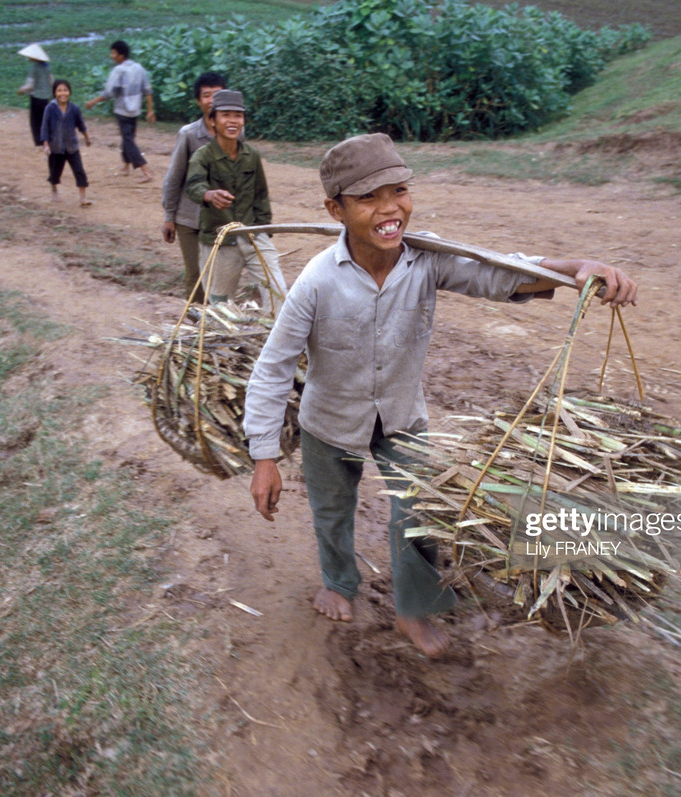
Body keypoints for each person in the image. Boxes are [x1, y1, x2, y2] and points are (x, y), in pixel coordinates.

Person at [242, 133, 638, 657]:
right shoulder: (316, 282)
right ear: (334, 209)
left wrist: (575, 271)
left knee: (420, 509)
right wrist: (263, 455)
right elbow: (273, 368)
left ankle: (413, 607)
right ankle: (338, 582)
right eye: (367, 198)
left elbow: (499, 270)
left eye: (399, 190)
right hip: (329, 420)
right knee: (331, 512)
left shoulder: (427, 260)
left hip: (403, 415)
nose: (390, 208)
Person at [184, 89, 287, 313]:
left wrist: (263, 233)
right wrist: (209, 195)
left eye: (238, 116)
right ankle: (231, 347)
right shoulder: (203, 156)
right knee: (220, 306)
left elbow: (261, 195)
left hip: (253, 236)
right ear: (212, 121)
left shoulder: (252, 155)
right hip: (220, 243)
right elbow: (193, 186)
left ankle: (274, 342)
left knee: (279, 294)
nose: (233, 121)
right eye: (225, 115)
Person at [161, 72, 230, 301]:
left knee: (221, 274)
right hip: (190, 219)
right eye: (206, 95)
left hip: (221, 220)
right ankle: (195, 327)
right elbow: (174, 177)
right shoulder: (189, 134)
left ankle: (217, 323)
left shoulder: (235, 131)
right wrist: (169, 216)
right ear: (199, 101)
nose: (212, 100)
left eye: (217, 95)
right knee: (196, 275)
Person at [85, 40, 155, 182]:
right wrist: (150, 110)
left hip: (123, 111)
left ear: (120, 55)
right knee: (127, 138)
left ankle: (145, 171)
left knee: (128, 140)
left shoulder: (119, 70)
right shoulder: (139, 68)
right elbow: (148, 90)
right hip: (135, 111)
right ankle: (126, 166)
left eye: (113, 53)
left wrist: (93, 101)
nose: (112, 56)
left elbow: (109, 93)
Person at [40, 79, 92, 206]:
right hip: (56, 147)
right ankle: (54, 189)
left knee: (79, 170)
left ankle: (82, 198)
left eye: (65, 90)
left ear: (69, 92)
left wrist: (86, 137)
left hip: (72, 146)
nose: (62, 93)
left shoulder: (74, 108)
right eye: (59, 91)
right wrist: (46, 144)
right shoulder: (50, 108)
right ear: (54, 93)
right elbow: (45, 127)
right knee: (54, 172)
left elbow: (80, 124)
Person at [16, 43, 54, 148]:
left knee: (36, 122)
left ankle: (41, 143)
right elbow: (52, 81)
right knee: (46, 120)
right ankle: (50, 140)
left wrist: (21, 90)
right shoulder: (47, 66)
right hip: (47, 98)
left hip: (37, 98)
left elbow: (30, 85)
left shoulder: (34, 68)